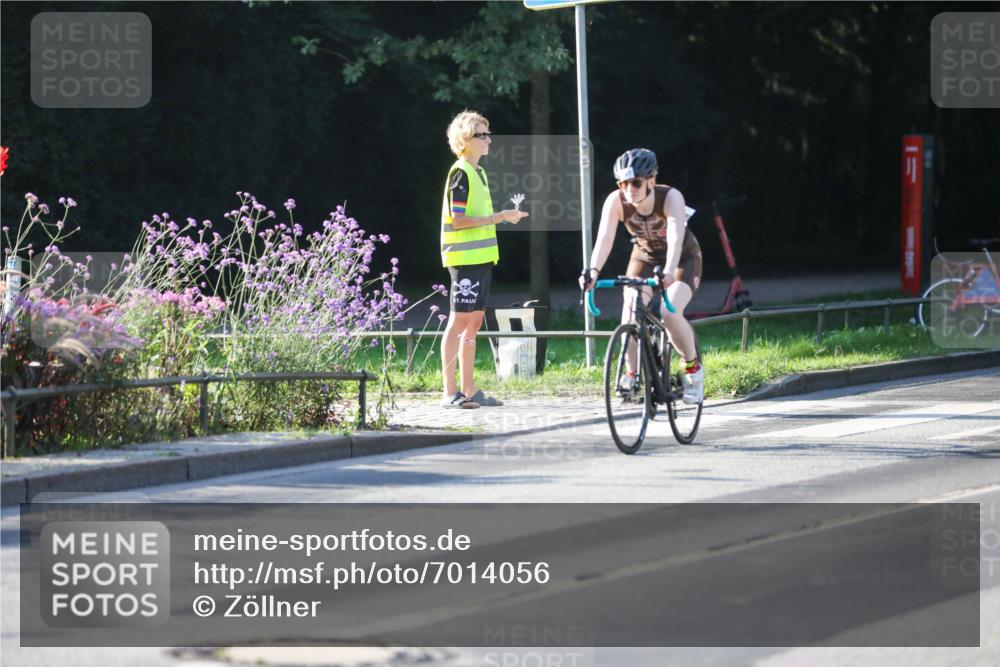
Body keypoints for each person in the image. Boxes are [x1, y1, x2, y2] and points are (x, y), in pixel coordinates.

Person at [579, 148, 705, 404]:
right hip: (644, 257)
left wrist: (669, 270)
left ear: (651, 180)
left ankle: (694, 370)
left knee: (669, 314)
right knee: (629, 315)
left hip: (682, 259)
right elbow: (604, 238)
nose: (629, 189)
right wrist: (592, 271)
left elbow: (675, 236)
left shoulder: (670, 198)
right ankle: (632, 374)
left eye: (635, 182)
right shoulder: (616, 201)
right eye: (623, 183)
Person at [440, 110, 529, 409]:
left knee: (474, 323)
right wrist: (500, 217)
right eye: (482, 135)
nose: (489, 140)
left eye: (488, 133)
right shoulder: (460, 173)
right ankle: (449, 392)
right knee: (459, 322)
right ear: (465, 140)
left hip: (480, 258)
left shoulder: (478, 172)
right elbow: (459, 220)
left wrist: (501, 217)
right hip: (464, 260)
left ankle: (469, 390)